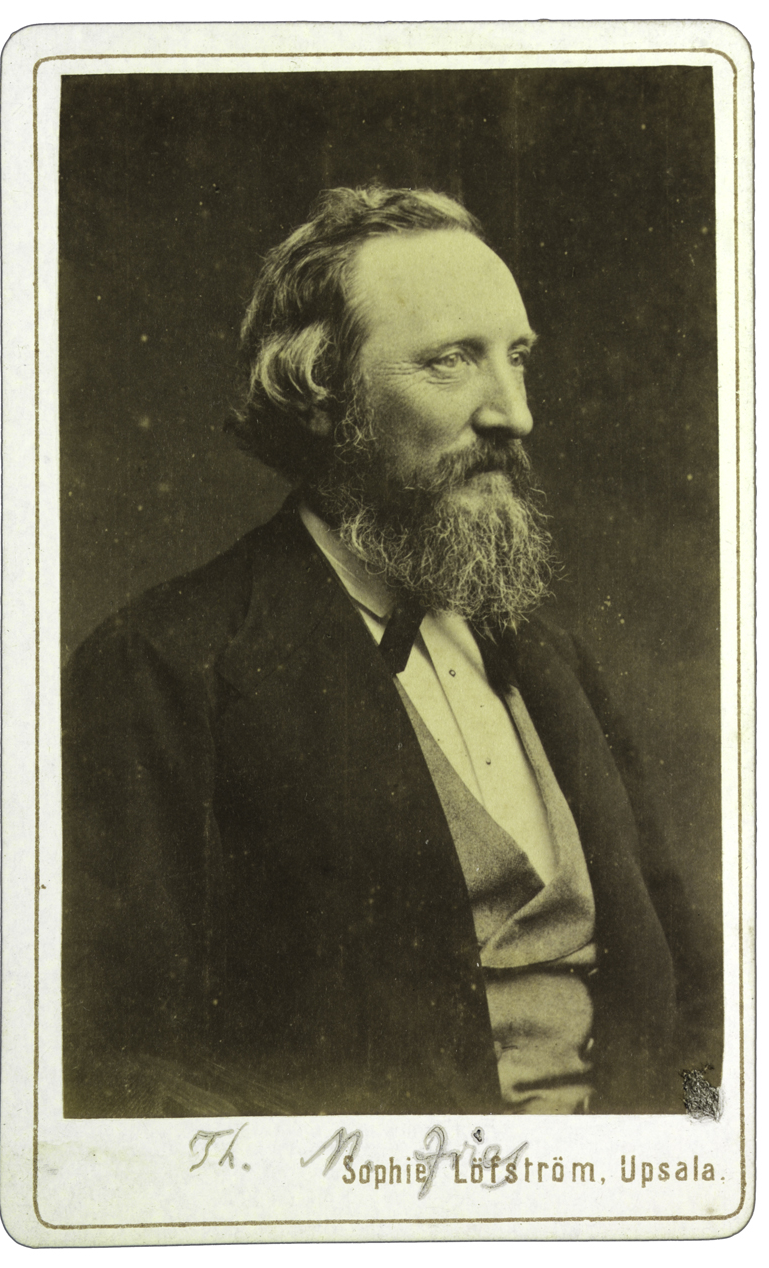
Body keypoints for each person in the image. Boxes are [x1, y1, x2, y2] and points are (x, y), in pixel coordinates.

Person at [62, 185, 715, 1118]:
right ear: (321, 396)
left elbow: (693, 995)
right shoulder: (162, 668)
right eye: (452, 361)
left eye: (517, 359)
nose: (514, 415)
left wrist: (700, 1143)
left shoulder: (551, 658)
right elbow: (120, 1066)